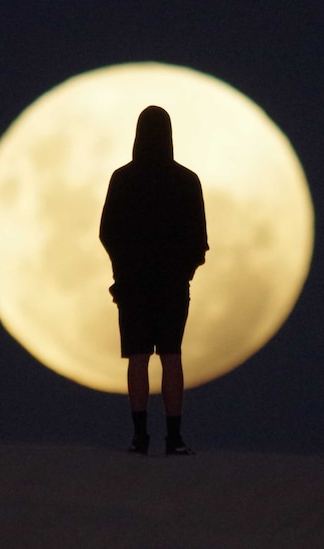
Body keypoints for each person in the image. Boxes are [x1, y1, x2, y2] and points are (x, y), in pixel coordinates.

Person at [99, 105, 208, 455]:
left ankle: (139, 436)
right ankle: (173, 438)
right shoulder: (187, 180)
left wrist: (123, 271)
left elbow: (108, 233)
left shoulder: (123, 178)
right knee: (172, 356)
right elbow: (198, 240)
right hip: (173, 286)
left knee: (138, 356)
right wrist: (183, 271)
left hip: (133, 286)